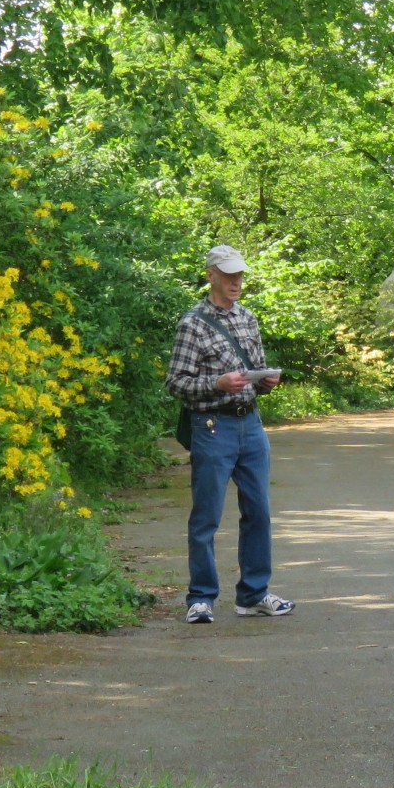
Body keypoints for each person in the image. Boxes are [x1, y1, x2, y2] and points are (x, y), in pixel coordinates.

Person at [165, 245, 294, 624]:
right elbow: (176, 383)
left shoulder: (248, 319)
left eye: (240, 274)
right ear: (211, 276)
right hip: (212, 426)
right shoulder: (193, 324)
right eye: (229, 274)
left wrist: (265, 381)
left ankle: (253, 594)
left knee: (259, 511)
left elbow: (252, 372)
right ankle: (201, 598)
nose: (237, 281)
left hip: (250, 424)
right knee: (206, 515)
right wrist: (217, 384)